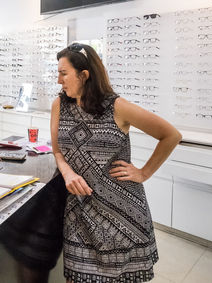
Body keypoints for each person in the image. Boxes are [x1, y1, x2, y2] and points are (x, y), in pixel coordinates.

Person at [51, 43, 182, 283]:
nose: (59, 80)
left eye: (63, 73)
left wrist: (144, 173)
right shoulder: (60, 105)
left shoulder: (117, 107)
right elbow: (58, 152)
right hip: (79, 211)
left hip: (121, 215)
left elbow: (171, 135)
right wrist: (68, 173)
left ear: (84, 75)